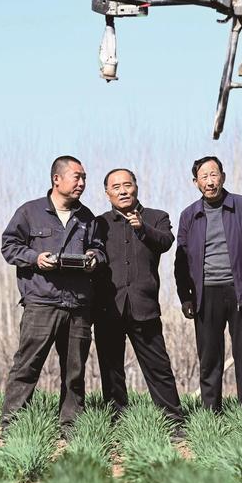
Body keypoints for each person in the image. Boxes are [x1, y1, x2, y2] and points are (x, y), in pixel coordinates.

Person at [0, 155, 106, 435]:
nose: (82, 183)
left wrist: (93, 257)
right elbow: (9, 246)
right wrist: (35, 258)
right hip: (41, 303)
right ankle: (13, 425)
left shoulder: (87, 217)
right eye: (77, 177)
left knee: (74, 371)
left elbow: (99, 249)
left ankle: (71, 426)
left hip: (78, 305)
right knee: (27, 366)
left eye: (84, 178)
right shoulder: (30, 212)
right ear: (57, 179)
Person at [174, 156, 242, 412]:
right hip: (205, 295)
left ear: (223, 177)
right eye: (204, 177)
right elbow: (181, 262)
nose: (210, 181)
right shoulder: (189, 216)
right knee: (209, 358)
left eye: (214, 175)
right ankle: (210, 413)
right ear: (195, 182)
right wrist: (185, 297)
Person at [93, 168, 184, 428]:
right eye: (116, 187)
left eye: (127, 185)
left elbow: (166, 241)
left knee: (158, 367)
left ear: (136, 187)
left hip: (144, 306)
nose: (123, 191)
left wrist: (142, 228)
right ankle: (117, 420)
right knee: (111, 368)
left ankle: (173, 421)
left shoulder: (157, 217)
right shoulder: (98, 223)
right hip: (108, 307)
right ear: (107, 193)